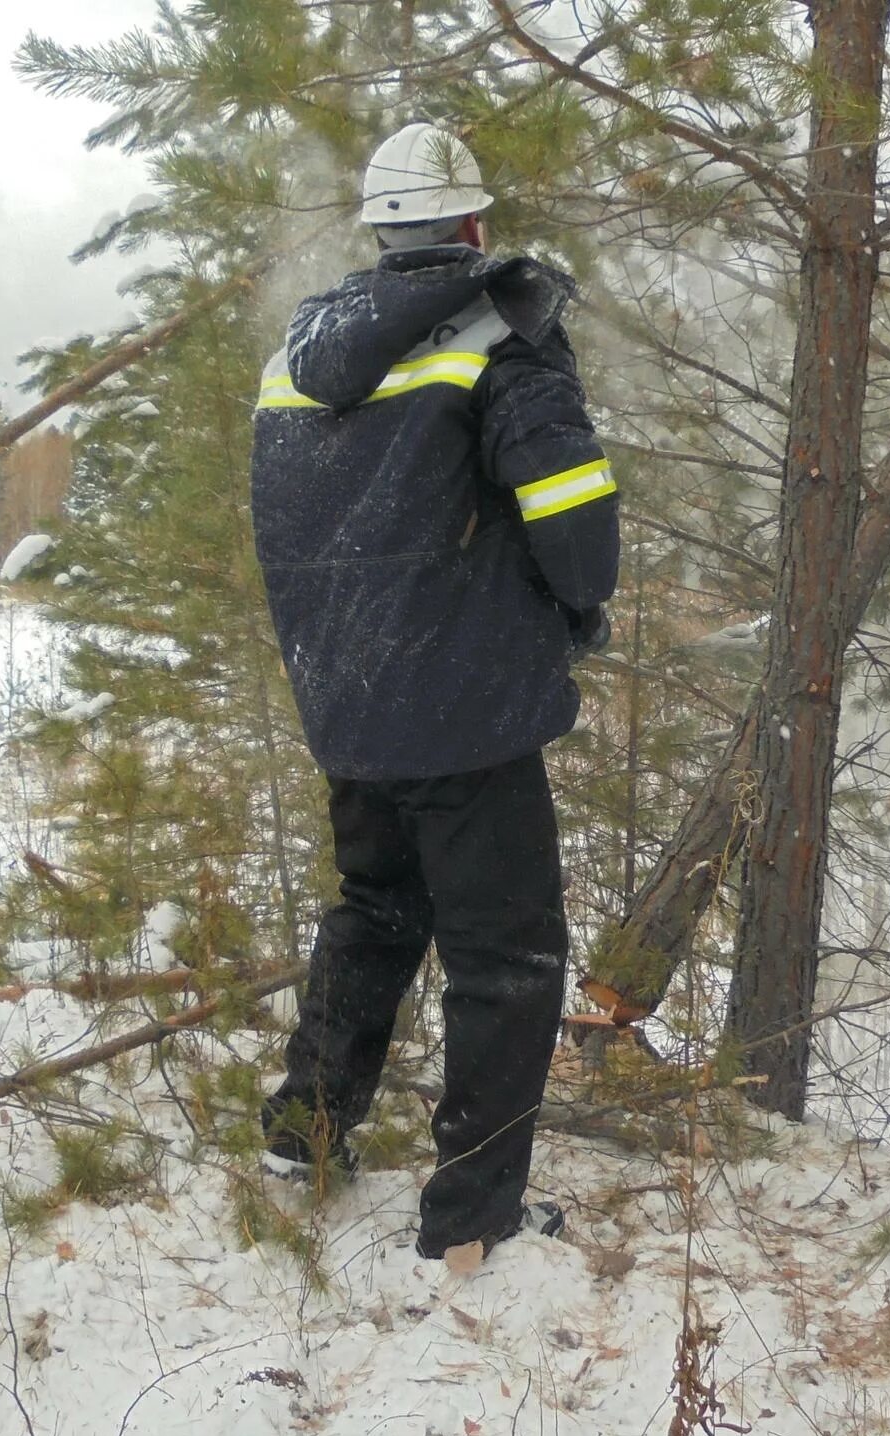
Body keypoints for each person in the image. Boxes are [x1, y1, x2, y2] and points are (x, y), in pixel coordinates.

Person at [248, 123, 621, 1261]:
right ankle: (472, 1220)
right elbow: (572, 519)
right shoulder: (501, 332)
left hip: (349, 704)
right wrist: (580, 608)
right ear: (473, 227)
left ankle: (305, 1133)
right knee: (507, 961)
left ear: (380, 232)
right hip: (464, 711)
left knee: (378, 909)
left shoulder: (301, 345)